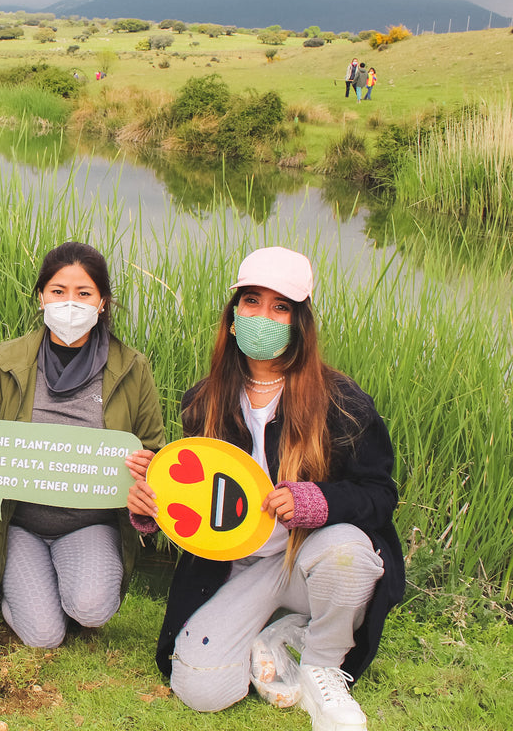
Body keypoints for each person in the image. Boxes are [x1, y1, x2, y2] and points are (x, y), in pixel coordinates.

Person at [127, 247, 403, 731]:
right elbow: (202, 503)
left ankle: (321, 664)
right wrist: (155, 506)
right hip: (238, 568)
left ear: (300, 323)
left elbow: (380, 495)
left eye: (281, 307)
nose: (264, 316)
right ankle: (278, 633)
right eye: (251, 301)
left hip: (308, 558)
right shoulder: (204, 400)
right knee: (200, 687)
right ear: (233, 317)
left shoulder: (341, 402)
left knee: (350, 555)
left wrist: (318, 502)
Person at [0, 242, 165, 648]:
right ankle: (22, 588)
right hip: (18, 524)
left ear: (103, 302)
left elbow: (155, 454)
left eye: (84, 293)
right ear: (41, 297)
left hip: (89, 524)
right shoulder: (6, 360)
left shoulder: (132, 367)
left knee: (90, 609)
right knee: (43, 636)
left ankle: (64, 579)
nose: (70, 303)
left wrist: (149, 474)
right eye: (58, 291)